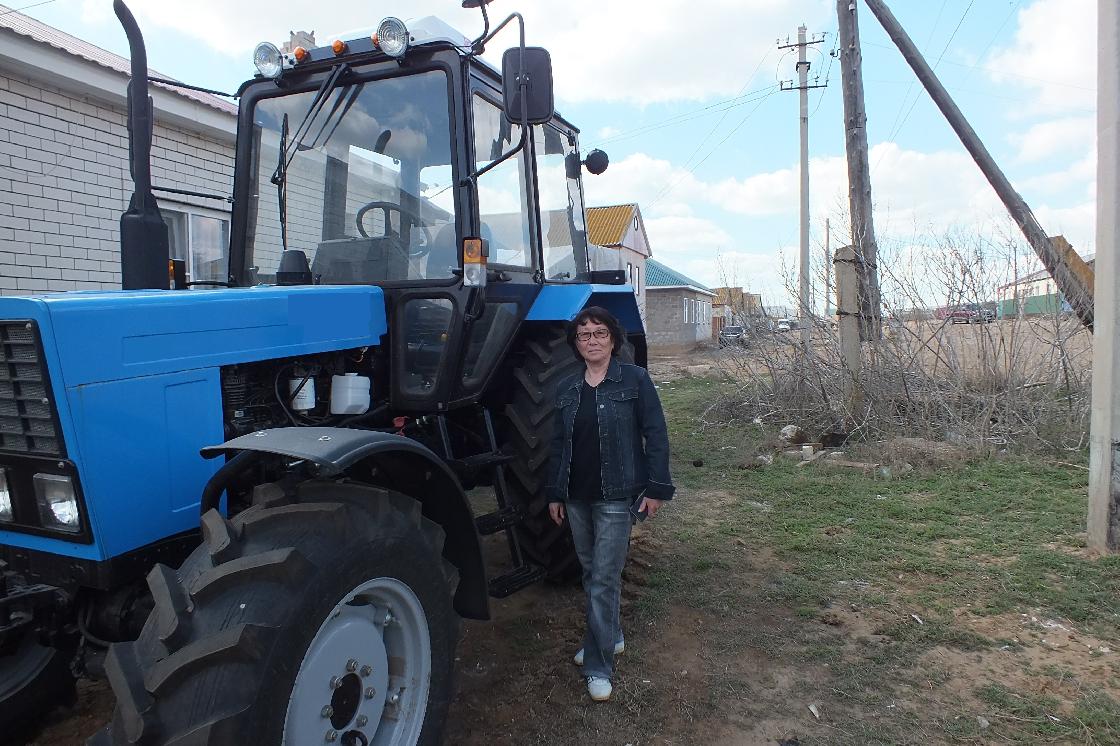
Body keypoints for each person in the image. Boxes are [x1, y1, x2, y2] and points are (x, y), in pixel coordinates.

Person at [545, 306, 675, 702]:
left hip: (617, 496)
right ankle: (611, 634)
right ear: (576, 344)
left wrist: (656, 488)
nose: (592, 341)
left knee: (603, 577)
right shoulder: (568, 389)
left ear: (613, 339)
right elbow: (558, 445)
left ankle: (598, 664)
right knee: (590, 572)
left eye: (600, 333)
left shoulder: (634, 380)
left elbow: (656, 433)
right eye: (584, 335)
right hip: (577, 496)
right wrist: (555, 491)